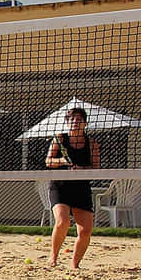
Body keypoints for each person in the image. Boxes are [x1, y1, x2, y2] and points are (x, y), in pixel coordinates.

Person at [45, 107, 100, 269]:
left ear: (85, 123)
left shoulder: (92, 143)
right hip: (60, 186)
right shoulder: (59, 140)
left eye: (79, 120)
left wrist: (82, 170)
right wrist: (62, 161)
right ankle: (53, 258)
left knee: (85, 230)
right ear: (67, 123)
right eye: (72, 120)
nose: (75, 122)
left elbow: (96, 168)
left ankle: (75, 264)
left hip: (81, 187)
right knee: (62, 221)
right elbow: (48, 162)